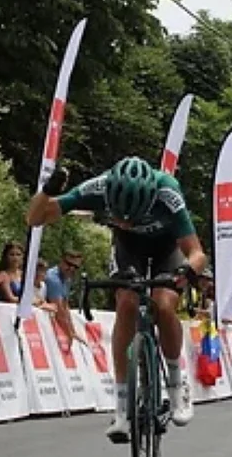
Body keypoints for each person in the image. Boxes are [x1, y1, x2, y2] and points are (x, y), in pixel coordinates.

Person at [27, 156, 207, 441]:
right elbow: (34, 217)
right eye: (120, 215)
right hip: (128, 249)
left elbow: (197, 253)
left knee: (163, 303)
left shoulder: (167, 192)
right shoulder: (98, 188)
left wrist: (187, 270)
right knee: (126, 303)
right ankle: (122, 408)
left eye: (132, 216)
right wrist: (48, 191)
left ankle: (177, 384)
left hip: (166, 249)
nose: (125, 221)